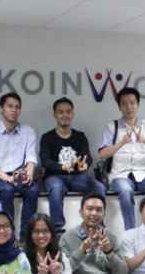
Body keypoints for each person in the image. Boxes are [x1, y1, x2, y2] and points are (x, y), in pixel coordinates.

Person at [98, 87, 145, 230]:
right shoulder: (112, 127)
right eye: (124, 103)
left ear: (138, 104)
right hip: (120, 175)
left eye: (132, 103)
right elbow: (102, 154)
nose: (129, 107)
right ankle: (131, 233)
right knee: (126, 191)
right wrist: (121, 143)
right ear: (119, 106)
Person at [41, 97, 106, 234]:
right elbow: (45, 161)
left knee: (99, 187)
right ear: (55, 115)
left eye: (68, 111)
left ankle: (98, 226)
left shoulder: (80, 136)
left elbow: (87, 157)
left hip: (78, 177)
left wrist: (85, 164)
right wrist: (63, 167)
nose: (65, 115)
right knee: (56, 187)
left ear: (72, 114)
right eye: (61, 112)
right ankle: (57, 231)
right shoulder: (47, 137)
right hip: (55, 177)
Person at [0, 92, 39, 236]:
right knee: (7, 190)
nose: (14, 110)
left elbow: (31, 158)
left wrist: (29, 175)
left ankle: (26, 236)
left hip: (19, 175)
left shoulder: (28, 131)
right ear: (2, 109)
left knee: (32, 190)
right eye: (10, 106)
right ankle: (8, 235)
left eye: (17, 107)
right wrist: (7, 178)